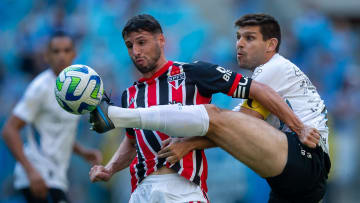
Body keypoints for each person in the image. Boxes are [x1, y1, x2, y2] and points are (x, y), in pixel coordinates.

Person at [90, 14, 330, 203]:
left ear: (161, 40)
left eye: (141, 42)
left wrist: (300, 128)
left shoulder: (193, 72)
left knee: (214, 115)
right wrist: (110, 169)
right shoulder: (131, 93)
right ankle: (119, 116)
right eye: (130, 46)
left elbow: (257, 91)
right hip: (140, 192)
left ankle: (116, 115)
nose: (136, 51)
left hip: (182, 189)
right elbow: (132, 143)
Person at [1, 31, 102, 203]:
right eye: (56, 51)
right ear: (47, 56)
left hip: (56, 177)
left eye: (66, 50)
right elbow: (9, 130)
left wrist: (82, 152)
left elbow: (56, 132)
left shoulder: (75, 90)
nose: (61, 56)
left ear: (74, 54)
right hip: (39, 176)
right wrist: (31, 171)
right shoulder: (40, 87)